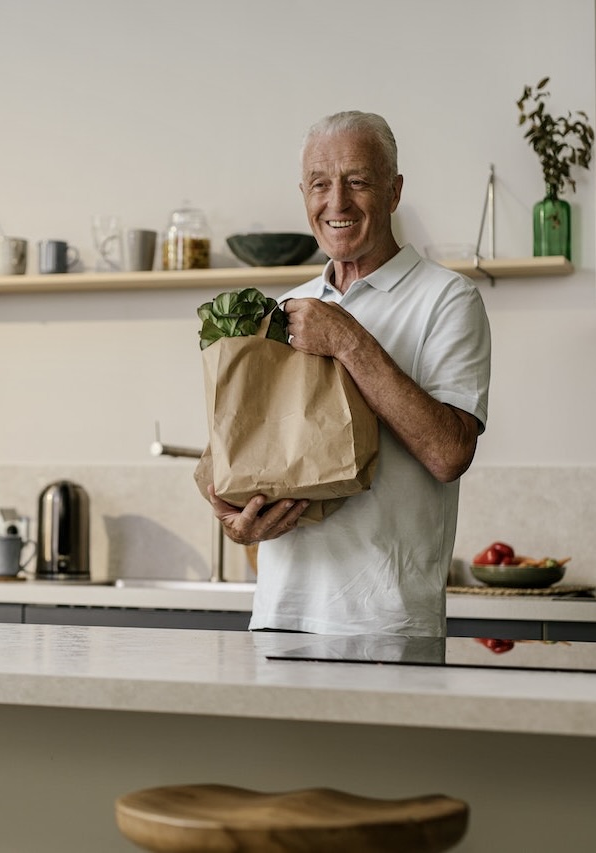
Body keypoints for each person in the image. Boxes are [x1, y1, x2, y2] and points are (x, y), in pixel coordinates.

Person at [208, 111, 491, 638]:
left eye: (357, 181)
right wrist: (235, 519)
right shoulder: (288, 307)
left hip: (388, 624)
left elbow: (450, 454)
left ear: (394, 191)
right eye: (320, 184)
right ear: (304, 194)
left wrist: (348, 341)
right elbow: (251, 450)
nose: (336, 202)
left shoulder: (448, 299)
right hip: (280, 619)